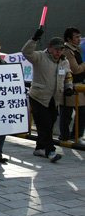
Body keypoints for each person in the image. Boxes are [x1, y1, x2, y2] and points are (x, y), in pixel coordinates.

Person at [22, 29, 73, 162]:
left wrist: (68, 87)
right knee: (44, 124)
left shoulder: (64, 61)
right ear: (49, 48)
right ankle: (51, 151)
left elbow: (67, 75)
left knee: (49, 124)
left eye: (61, 49)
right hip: (38, 96)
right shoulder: (39, 56)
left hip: (54, 98)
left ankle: (39, 148)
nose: (58, 52)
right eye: (56, 49)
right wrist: (34, 39)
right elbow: (26, 52)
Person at [61, 27, 85, 140]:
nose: (79, 39)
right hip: (71, 85)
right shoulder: (67, 51)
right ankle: (69, 135)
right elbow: (75, 69)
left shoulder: (75, 49)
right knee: (68, 113)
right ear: (69, 39)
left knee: (77, 112)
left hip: (78, 86)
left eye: (79, 36)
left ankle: (74, 135)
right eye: (76, 37)